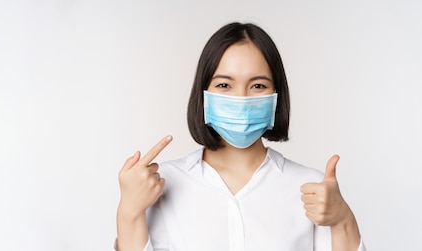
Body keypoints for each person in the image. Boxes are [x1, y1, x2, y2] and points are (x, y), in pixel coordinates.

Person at [114, 22, 366, 251]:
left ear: (276, 96)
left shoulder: (311, 189)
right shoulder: (158, 184)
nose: (242, 99)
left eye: (258, 85)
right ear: (204, 94)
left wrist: (343, 219)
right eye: (224, 85)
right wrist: (129, 213)